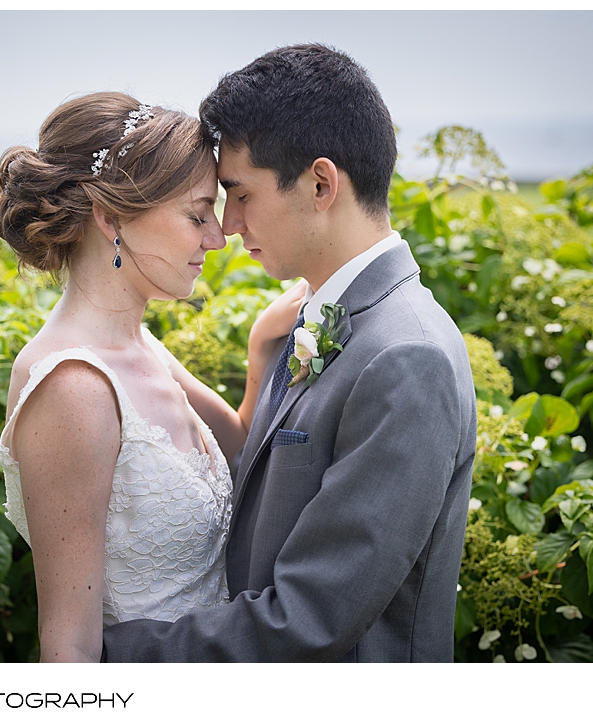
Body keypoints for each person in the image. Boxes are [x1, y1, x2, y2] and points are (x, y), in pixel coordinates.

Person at [101, 44, 478, 662]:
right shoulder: (322, 319)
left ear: (321, 183)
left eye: (240, 194)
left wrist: (105, 658)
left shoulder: (406, 356)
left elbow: (310, 619)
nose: (226, 226)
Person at [0, 92, 303, 662]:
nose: (218, 236)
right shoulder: (75, 388)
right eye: (196, 214)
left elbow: (242, 452)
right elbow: (70, 649)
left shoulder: (142, 346)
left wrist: (262, 346)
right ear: (110, 218)